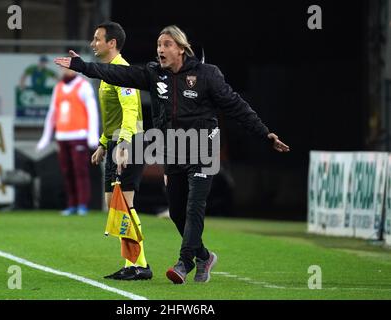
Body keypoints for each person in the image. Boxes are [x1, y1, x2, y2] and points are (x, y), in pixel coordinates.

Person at [54, 25, 290, 284]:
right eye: (158, 45)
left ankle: (184, 262)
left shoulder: (207, 75)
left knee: (193, 207)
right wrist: (82, 66)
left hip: (203, 148)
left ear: (181, 48)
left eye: (166, 44)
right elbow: (119, 73)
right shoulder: (155, 74)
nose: (160, 50)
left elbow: (236, 106)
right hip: (174, 149)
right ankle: (204, 256)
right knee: (176, 211)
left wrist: (264, 133)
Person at [89, 22, 152, 280]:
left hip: (131, 142)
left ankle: (139, 265)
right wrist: (104, 143)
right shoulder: (108, 73)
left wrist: (124, 145)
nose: (93, 43)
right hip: (117, 141)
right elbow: (113, 116)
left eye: (97, 39)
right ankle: (132, 264)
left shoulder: (123, 72)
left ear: (111, 43)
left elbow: (131, 112)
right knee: (113, 204)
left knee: (124, 204)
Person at [36, 68, 99, 216]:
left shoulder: (83, 85)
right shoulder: (58, 87)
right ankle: (71, 204)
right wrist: (45, 138)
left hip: (79, 134)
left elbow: (92, 111)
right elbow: (52, 112)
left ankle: (82, 204)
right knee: (67, 172)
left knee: (80, 171)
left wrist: (93, 135)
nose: (66, 71)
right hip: (62, 135)